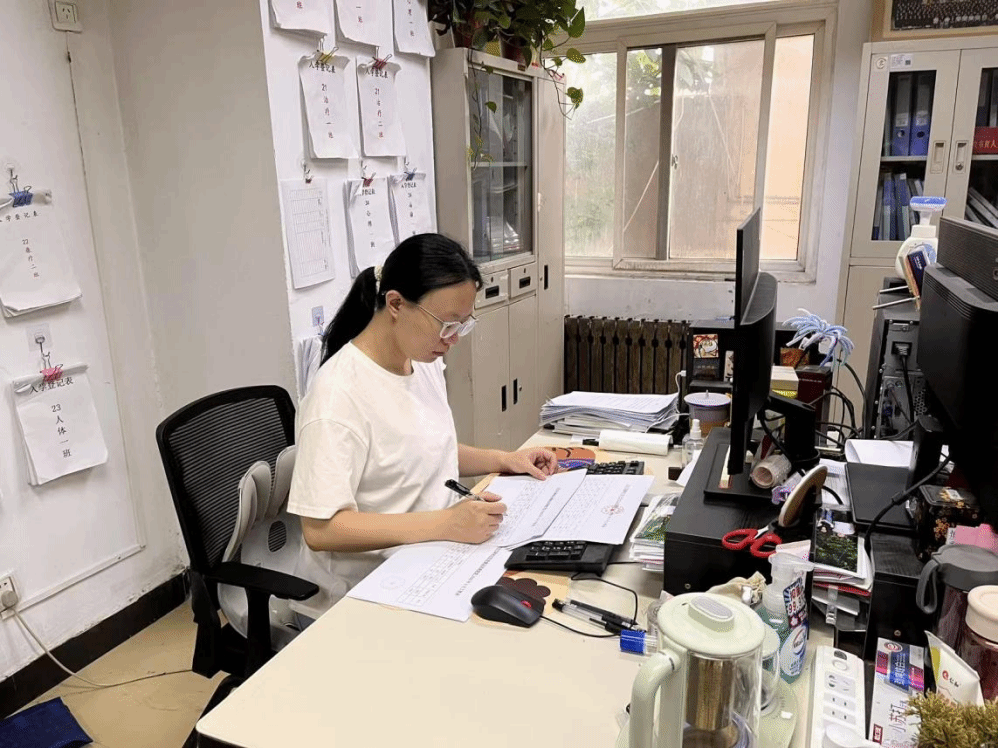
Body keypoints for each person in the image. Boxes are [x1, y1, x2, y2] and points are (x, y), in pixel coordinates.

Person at [288, 233, 557, 615]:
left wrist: (504, 459)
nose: (453, 339)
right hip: (359, 595)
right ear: (396, 304)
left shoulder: (420, 361)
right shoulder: (336, 396)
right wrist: (445, 523)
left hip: (431, 563)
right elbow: (321, 530)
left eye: (463, 325)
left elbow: (425, 449)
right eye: (446, 325)